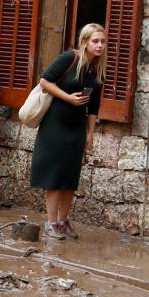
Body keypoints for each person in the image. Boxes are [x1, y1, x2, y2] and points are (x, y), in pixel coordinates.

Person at [27, 23, 107, 240]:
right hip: (55, 126)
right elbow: (45, 80)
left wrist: (90, 134)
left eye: (102, 41)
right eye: (95, 41)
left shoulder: (96, 68)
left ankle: (63, 221)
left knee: (70, 177)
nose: (100, 45)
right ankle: (51, 223)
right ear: (85, 42)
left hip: (77, 128)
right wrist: (67, 97)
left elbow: (94, 106)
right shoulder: (69, 59)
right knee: (54, 176)